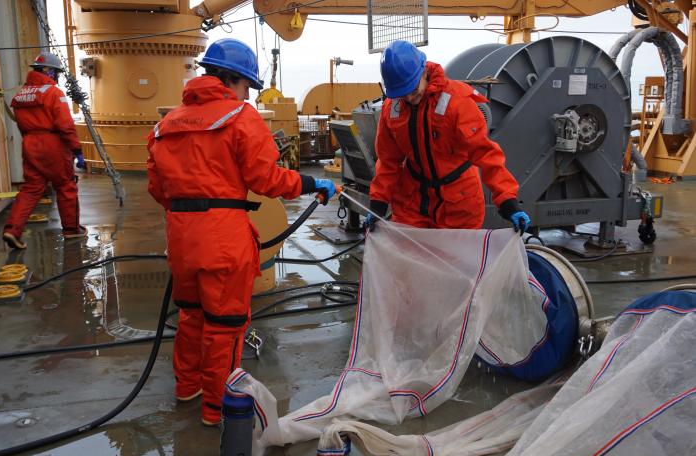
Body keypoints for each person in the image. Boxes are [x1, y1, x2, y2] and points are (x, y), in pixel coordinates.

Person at [146, 38, 336, 426]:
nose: (247, 93)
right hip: (222, 237)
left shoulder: (166, 125)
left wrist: (189, 214)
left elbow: (157, 188)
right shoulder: (239, 117)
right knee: (225, 324)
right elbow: (265, 179)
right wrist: (309, 182)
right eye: (247, 85)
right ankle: (217, 408)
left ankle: (188, 386)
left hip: (181, 237)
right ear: (232, 79)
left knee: (191, 315)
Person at [367, 40, 530, 233]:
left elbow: (486, 155)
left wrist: (508, 201)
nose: (409, 98)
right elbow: (388, 162)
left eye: (412, 90)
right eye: (402, 94)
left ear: (423, 72)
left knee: (456, 261)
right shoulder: (392, 110)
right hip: (412, 202)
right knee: (410, 258)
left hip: (459, 204)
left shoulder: (458, 102)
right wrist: (378, 202)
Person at [2, 52, 87, 249]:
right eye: (55, 72)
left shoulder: (21, 94)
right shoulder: (54, 93)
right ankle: (72, 230)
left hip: (30, 143)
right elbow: (65, 125)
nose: (57, 77)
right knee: (66, 186)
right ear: (48, 71)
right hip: (53, 144)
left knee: (31, 188)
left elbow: (22, 124)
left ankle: (12, 230)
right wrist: (76, 149)